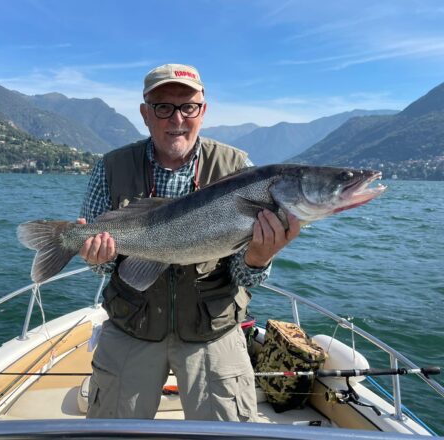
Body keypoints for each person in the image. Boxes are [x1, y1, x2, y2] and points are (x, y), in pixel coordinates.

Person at [77, 63, 300, 421]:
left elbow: (244, 276)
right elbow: (107, 267)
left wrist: (258, 259)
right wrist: (95, 257)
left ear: (203, 111)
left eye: (188, 107)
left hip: (211, 330)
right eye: (163, 107)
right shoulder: (110, 167)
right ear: (145, 114)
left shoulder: (241, 169)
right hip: (131, 325)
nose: (176, 119)